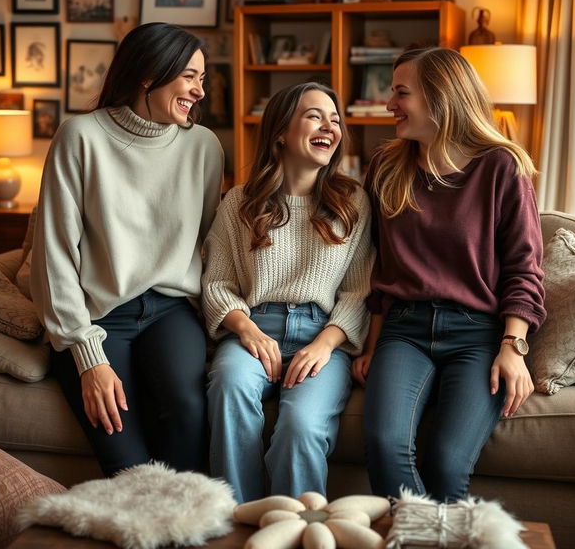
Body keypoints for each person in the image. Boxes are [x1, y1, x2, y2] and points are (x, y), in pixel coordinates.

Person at [352, 47, 546, 503]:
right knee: (384, 446)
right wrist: (373, 341)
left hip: (477, 334)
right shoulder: (385, 166)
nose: (389, 104)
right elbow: (376, 264)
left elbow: (524, 268)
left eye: (401, 92)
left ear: (441, 98)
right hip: (404, 330)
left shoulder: (502, 167)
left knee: (446, 461)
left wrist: (513, 347)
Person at [30, 22, 224, 477]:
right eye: (190, 77)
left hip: (171, 311)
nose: (200, 91)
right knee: (128, 463)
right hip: (99, 315)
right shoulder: (79, 137)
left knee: (187, 422)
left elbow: (212, 243)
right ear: (149, 74)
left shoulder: (204, 147)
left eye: (202, 79)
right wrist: (87, 356)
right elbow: (54, 255)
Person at [202, 82, 373, 503]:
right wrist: (247, 330)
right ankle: (237, 520)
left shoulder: (353, 201)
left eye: (335, 119)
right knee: (229, 385)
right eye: (315, 115)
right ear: (281, 131)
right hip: (253, 328)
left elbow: (358, 292)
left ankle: (295, 528)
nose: (329, 127)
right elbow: (217, 283)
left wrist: (324, 346)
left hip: (323, 335)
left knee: (300, 427)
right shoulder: (240, 202)